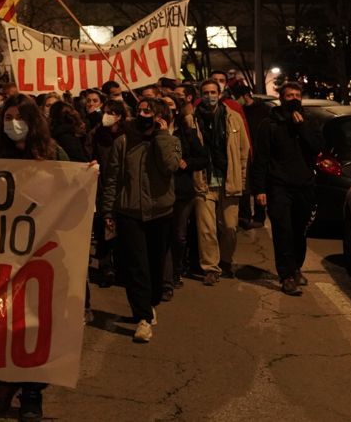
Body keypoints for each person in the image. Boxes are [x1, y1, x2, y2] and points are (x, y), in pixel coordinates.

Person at [0, 94, 67, 421]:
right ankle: (6, 379)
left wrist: (86, 174)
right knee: (4, 324)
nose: (12, 124)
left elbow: (72, 196)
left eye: (18, 117)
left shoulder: (54, 154)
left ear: (32, 121)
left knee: (37, 327)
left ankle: (32, 393)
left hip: (44, 256)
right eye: (7, 118)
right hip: (5, 255)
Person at [100, 97, 181, 344]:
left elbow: (170, 166)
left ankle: (150, 302)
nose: (143, 113)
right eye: (140, 110)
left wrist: (163, 135)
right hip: (130, 213)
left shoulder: (170, 141)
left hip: (160, 213)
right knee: (137, 267)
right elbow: (112, 178)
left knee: (156, 265)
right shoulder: (123, 143)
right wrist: (108, 212)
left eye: (149, 110)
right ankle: (142, 317)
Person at [252, 82, 323, 296]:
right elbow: (261, 158)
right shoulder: (270, 124)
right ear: (281, 99)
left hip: (304, 184)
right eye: (289, 95)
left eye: (297, 95)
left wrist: (301, 128)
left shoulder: (309, 121)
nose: (294, 98)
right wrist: (260, 189)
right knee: (283, 230)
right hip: (278, 186)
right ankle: (286, 276)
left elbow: (317, 148)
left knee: (299, 231)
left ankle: (296, 267)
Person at [194, 79, 251, 285]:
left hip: (229, 179)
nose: (210, 96)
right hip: (204, 180)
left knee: (229, 227)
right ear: (201, 94)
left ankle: (226, 260)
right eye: (206, 92)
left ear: (220, 94)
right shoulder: (192, 119)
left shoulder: (233, 118)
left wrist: (243, 180)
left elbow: (244, 152)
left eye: (213, 92)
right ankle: (210, 267)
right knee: (206, 228)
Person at [161, 96, 207, 301]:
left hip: (182, 193)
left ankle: (176, 270)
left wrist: (187, 163)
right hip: (160, 192)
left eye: (171, 105)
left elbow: (203, 158)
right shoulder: (153, 133)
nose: (167, 109)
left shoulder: (186, 133)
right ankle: (165, 280)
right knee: (163, 236)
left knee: (178, 236)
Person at [87, 99, 130, 287]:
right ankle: (106, 267)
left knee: (121, 231)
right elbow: (88, 154)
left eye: (110, 112)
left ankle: (121, 267)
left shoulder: (129, 135)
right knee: (103, 228)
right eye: (105, 111)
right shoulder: (96, 134)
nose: (106, 116)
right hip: (101, 186)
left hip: (123, 188)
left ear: (119, 116)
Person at [231, 83, 271, 229]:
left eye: (236, 97)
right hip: (245, 151)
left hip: (260, 151)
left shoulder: (263, 110)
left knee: (259, 185)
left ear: (245, 96)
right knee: (245, 184)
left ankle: (259, 216)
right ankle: (245, 215)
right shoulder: (240, 110)